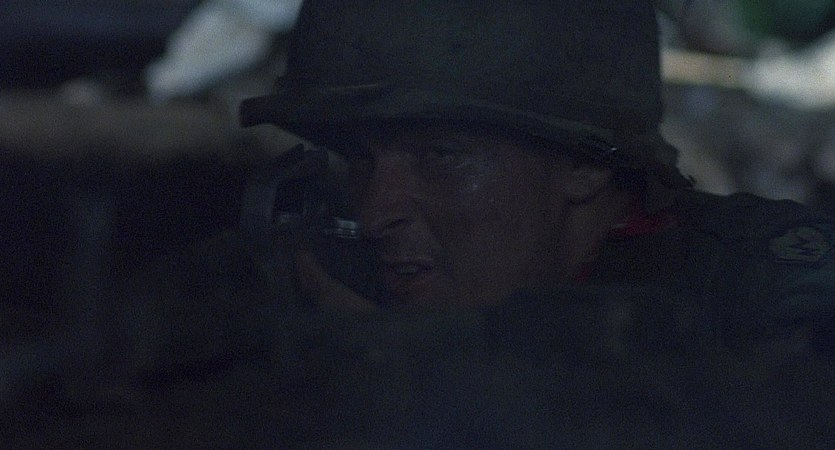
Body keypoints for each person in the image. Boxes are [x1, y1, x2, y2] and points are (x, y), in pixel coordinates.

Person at [5, 0, 833, 448]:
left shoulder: (761, 283)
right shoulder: (300, 268)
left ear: (585, 167)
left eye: (441, 155)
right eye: (358, 161)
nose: (374, 212)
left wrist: (414, 358)